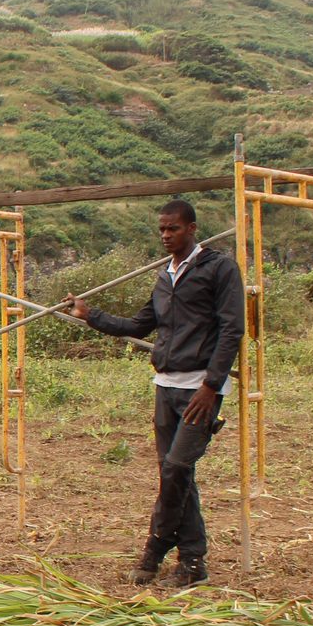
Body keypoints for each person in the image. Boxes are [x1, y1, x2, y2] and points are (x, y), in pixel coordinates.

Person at [73, 200, 244, 587]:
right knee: (176, 474)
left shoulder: (218, 268)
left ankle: (155, 549)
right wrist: (90, 315)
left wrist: (210, 386)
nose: (166, 236)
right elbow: (139, 325)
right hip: (166, 386)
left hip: (200, 389)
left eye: (173, 229)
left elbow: (232, 329)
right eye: (162, 230)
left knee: (176, 469)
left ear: (192, 229)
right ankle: (192, 562)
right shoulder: (165, 276)